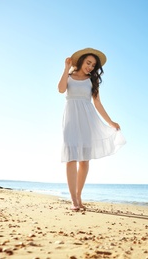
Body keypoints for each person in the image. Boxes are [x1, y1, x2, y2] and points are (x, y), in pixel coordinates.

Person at [58, 48, 126, 211]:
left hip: (88, 120)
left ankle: (79, 195)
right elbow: (61, 90)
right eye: (88, 63)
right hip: (71, 119)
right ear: (81, 61)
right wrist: (66, 68)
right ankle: (73, 200)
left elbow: (97, 103)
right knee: (71, 157)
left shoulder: (92, 81)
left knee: (84, 160)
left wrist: (110, 122)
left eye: (93, 65)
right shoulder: (68, 77)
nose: (90, 67)